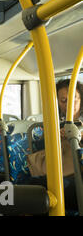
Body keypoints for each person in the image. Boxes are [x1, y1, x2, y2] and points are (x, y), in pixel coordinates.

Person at [27, 78, 82, 213]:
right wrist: (54, 136)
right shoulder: (53, 123)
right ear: (57, 103)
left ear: (81, 98)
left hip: (78, 172)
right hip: (63, 171)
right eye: (63, 101)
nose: (69, 104)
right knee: (39, 186)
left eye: (74, 98)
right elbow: (40, 148)